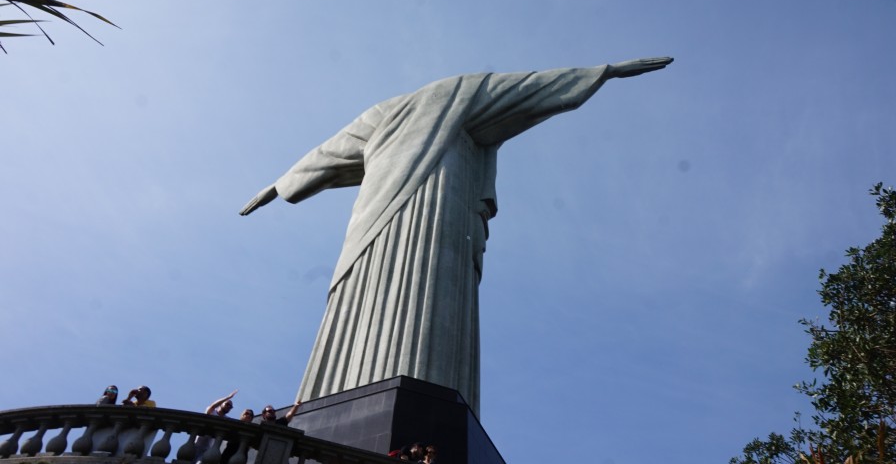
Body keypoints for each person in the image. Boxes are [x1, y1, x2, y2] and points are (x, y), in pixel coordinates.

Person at [241, 57, 673, 415]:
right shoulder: (458, 94)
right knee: (374, 292)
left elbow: (329, 151)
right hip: (399, 212)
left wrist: (280, 184)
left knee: (424, 297)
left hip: (425, 211)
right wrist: (604, 71)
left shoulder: (391, 111)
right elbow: (527, 90)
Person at [195, 390, 237, 461]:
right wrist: (228, 397)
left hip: (208, 449)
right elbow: (213, 406)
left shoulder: (227, 419)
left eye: (231, 407)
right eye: (227, 404)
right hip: (196, 445)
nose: (229, 407)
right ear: (221, 404)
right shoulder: (212, 412)